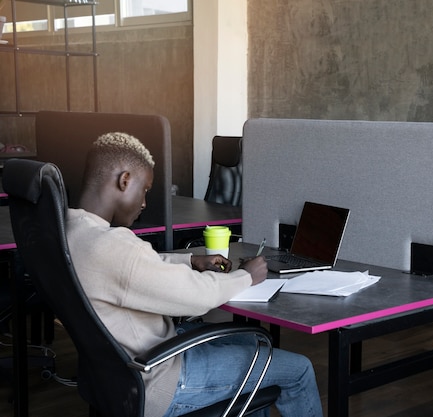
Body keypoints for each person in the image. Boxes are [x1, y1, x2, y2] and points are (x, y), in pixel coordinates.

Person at [65, 132, 323, 417]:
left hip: (114, 376)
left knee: (253, 342)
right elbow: (197, 297)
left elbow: (135, 267)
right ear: (124, 180)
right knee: (299, 370)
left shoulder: (70, 231)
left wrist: (191, 260)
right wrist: (247, 276)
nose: (144, 203)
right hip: (159, 379)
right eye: (145, 190)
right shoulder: (113, 246)